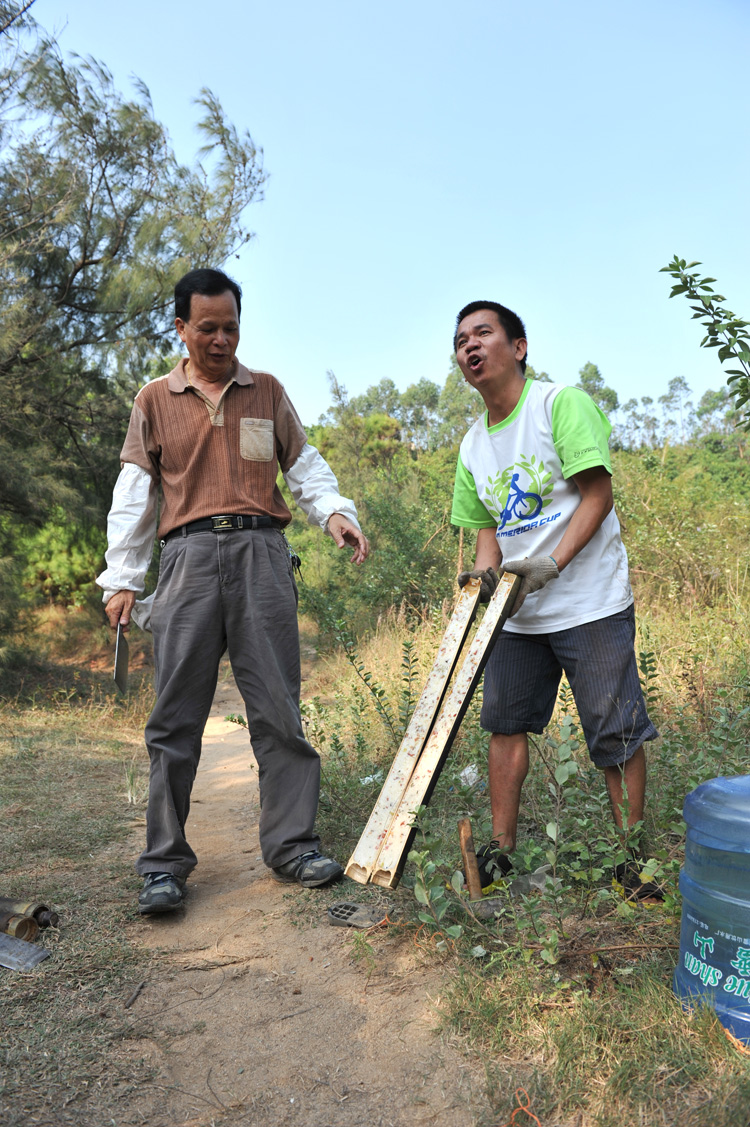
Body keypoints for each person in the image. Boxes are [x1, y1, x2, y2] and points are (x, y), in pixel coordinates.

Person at [97, 268, 370, 915]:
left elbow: (305, 469)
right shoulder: (153, 401)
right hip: (186, 560)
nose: (221, 340)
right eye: (208, 327)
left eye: (231, 327)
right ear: (181, 328)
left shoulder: (266, 391)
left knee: (278, 707)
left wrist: (334, 511)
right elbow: (134, 497)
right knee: (174, 719)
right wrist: (122, 579)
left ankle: (292, 843)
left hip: (262, 557)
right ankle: (163, 864)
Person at [450, 300, 660, 899]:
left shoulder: (557, 404)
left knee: (615, 732)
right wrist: (488, 586)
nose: (470, 346)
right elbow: (487, 529)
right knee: (505, 726)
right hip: (519, 617)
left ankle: (632, 864)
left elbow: (598, 494)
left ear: (517, 346)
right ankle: (501, 857)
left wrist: (551, 565)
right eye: (461, 339)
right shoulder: (471, 445)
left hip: (589, 602)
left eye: (483, 333)